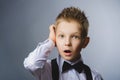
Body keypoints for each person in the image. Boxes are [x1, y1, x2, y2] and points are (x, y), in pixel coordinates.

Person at [23, 7, 103, 80]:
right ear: (55, 38)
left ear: (85, 42)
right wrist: (51, 41)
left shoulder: (94, 77)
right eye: (61, 36)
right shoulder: (46, 69)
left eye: (75, 37)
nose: (67, 43)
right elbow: (31, 64)